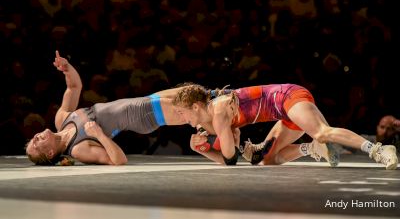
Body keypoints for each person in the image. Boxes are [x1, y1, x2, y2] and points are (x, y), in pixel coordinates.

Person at [25, 51, 264, 165]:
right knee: (200, 110)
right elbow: (118, 161)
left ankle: (235, 141)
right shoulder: (77, 150)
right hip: (143, 117)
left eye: (32, 140)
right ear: (48, 154)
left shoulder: (61, 120)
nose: (34, 138)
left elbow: (74, 88)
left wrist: (67, 68)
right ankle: (238, 146)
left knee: (195, 91)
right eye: (36, 145)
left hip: (144, 101)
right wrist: (98, 134)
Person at [172, 84, 398, 170]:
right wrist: (203, 148)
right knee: (266, 159)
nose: (180, 117)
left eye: (181, 112)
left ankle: (379, 150)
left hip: (288, 96)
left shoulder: (218, 111)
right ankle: (312, 149)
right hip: (284, 112)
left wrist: (205, 150)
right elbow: (234, 143)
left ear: (195, 106)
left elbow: (230, 160)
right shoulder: (212, 117)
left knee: (321, 131)